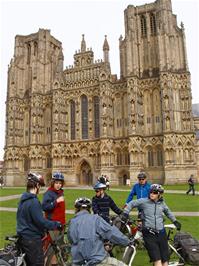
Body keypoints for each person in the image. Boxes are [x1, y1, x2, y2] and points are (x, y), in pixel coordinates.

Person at [121, 184, 181, 266]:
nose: (152, 194)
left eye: (155, 192)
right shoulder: (144, 201)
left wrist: (175, 221)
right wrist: (125, 213)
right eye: (151, 192)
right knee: (157, 261)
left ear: (160, 194)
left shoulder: (162, 203)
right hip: (149, 234)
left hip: (161, 234)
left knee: (165, 261)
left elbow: (168, 212)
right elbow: (131, 203)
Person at [17, 172, 62, 266]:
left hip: (23, 237)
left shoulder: (23, 199)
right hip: (32, 239)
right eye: (40, 186)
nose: (40, 188)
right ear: (37, 185)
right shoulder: (33, 202)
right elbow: (41, 221)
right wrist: (56, 224)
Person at [68, 197, 130, 266]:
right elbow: (111, 232)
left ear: (76, 209)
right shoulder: (96, 219)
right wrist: (127, 241)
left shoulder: (72, 222)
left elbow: (71, 240)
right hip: (97, 260)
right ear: (89, 209)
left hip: (79, 262)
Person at [42, 172, 66, 266]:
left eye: (60, 183)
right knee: (52, 246)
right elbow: (45, 207)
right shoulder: (49, 193)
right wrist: (56, 201)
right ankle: (51, 263)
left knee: (59, 245)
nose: (58, 185)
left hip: (61, 224)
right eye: (56, 183)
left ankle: (57, 262)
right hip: (53, 225)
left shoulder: (60, 192)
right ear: (53, 183)